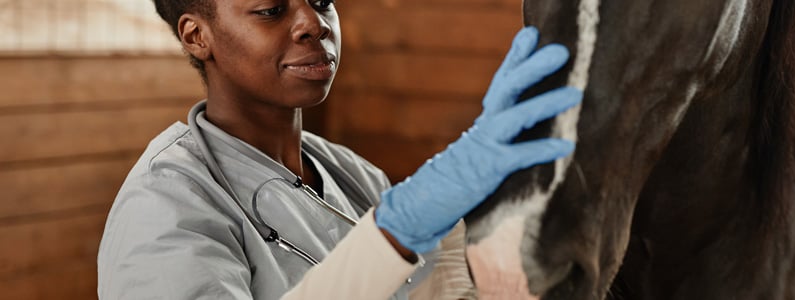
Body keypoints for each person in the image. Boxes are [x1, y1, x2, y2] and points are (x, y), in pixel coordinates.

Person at [96, 0, 583, 299]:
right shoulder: (164, 205)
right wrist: (396, 231)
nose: (314, 23)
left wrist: (484, 210)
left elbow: (434, 291)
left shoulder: (352, 174)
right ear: (197, 36)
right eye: (271, 10)